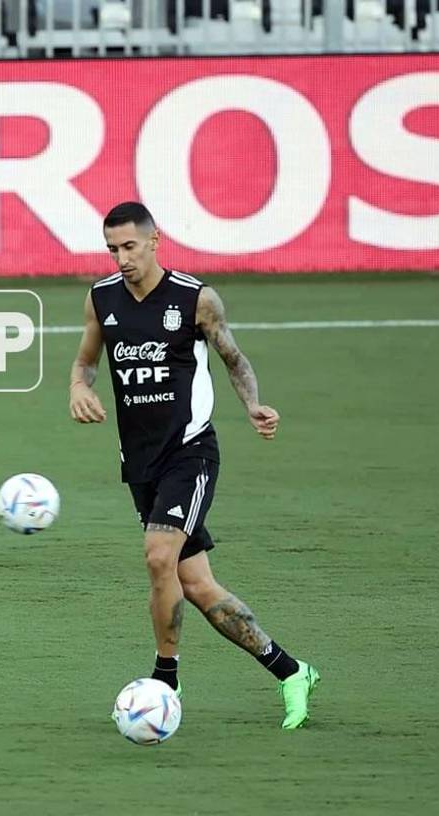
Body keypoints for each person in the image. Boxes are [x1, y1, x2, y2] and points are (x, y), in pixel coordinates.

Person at [68, 201, 320, 730]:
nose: (122, 258)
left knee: (158, 556)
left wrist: (253, 404)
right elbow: (86, 361)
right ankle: (292, 671)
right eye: (112, 249)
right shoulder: (101, 298)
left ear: (154, 240)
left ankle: (166, 679)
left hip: (190, 452)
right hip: (139, 463)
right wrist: (77, 388)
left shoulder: (195, 298)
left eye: (130, 246)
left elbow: (233, 358)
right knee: (200, 588)